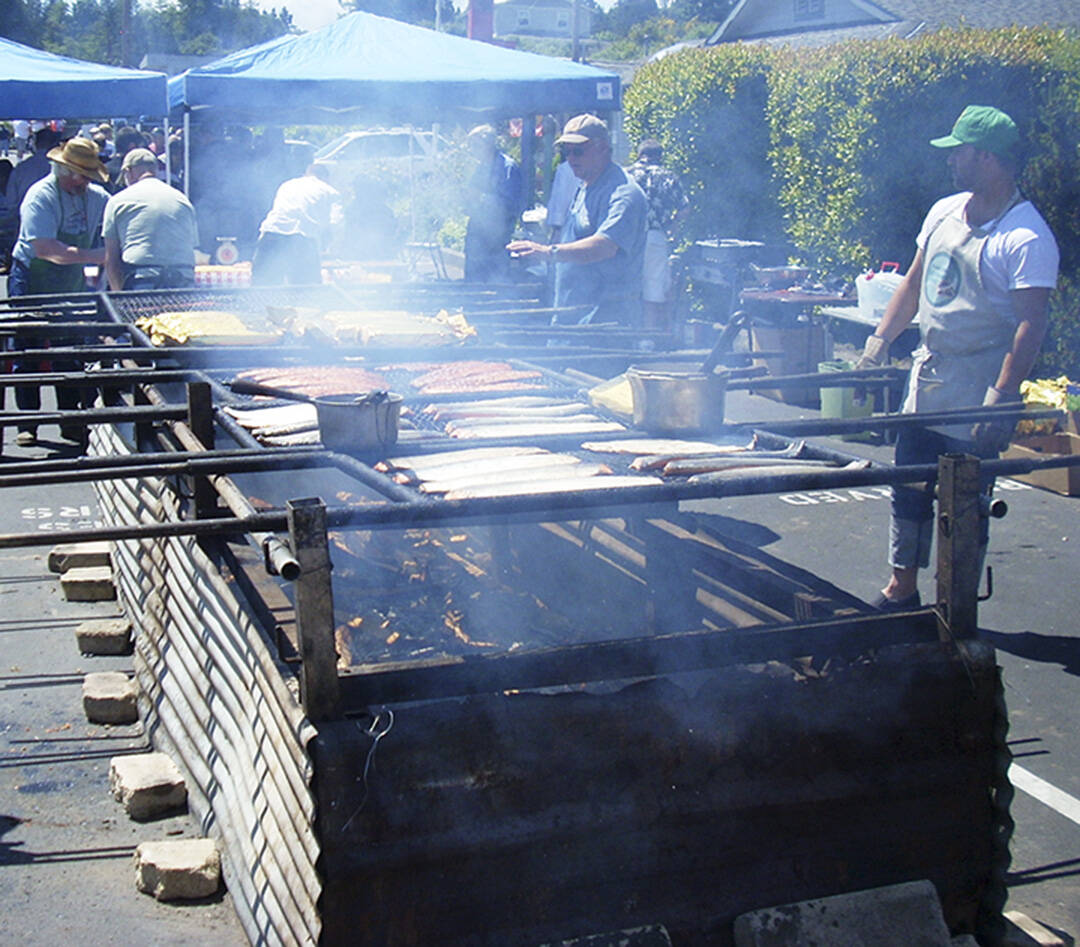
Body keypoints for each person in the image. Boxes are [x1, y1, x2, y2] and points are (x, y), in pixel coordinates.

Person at [855, 104, 1059, 610]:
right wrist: (879, 342)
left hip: (977, 382)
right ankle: (902, 587)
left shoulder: (1026, 237)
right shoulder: (943, 211)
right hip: (930, 376)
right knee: (908, 487)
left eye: (959, 152)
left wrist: (1002, 397)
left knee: (964, 500)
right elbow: (915, 281)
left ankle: (957, 601)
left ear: (987, 158)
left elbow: (1031, 324)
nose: (950, 161)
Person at [8, 137, 109, 444]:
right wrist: (98, 256)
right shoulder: (40, 196)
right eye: (81, 175)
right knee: (29, 351)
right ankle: (28, 423)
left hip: (72, 280)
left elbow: (109, 237)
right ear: (64, 170)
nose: (84, 182)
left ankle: (70, 419)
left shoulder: (98, 198)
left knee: (69, 353)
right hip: (33, 277)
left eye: (89, 176)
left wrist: (101, 268)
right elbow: (47, 249)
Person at [506, 114, 647, 326]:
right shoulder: (585, 185)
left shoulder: (623, 193)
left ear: (603, 148)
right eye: (566, 151)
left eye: (578, 151)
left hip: (605, 321)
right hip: (571, 313)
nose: (571, 158)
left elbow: (605, 246)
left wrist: (547, 252)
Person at [103, 148, 198, 291]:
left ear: (129, 172)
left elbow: (112, 260)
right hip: (183, 280)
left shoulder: (117, 201)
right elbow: (192, 247)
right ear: (156, 169)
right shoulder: (182, 200)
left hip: (141, 279)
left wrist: (119, 298)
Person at [626, 138, 689, 332]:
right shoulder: (668, 176)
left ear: (639, 154)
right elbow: (685, 207)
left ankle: (625, 335)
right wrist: (673, 224)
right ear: (660, 156)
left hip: (625, 238)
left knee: (627, 287)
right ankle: (647, 339)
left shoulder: (624, 175)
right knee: (653, 290)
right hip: (655, 237)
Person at [251, 164, 341, 285]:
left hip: (271, 235)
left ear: (306, 174)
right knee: (306, 291)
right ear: (326, 177)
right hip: (303, 240)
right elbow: (336, 223)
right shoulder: (331, 192)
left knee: (263, 286)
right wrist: (334, 245)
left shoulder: (287, 185)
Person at [463, 124, 523, 283]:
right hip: (477, 238)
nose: (471, 149)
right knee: (473, 283)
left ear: (488, 144)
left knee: (495, 284)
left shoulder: (507, 167)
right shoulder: (481, 167)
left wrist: (480, 197)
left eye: (475, 145)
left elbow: (509, 205)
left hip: (495, 240)